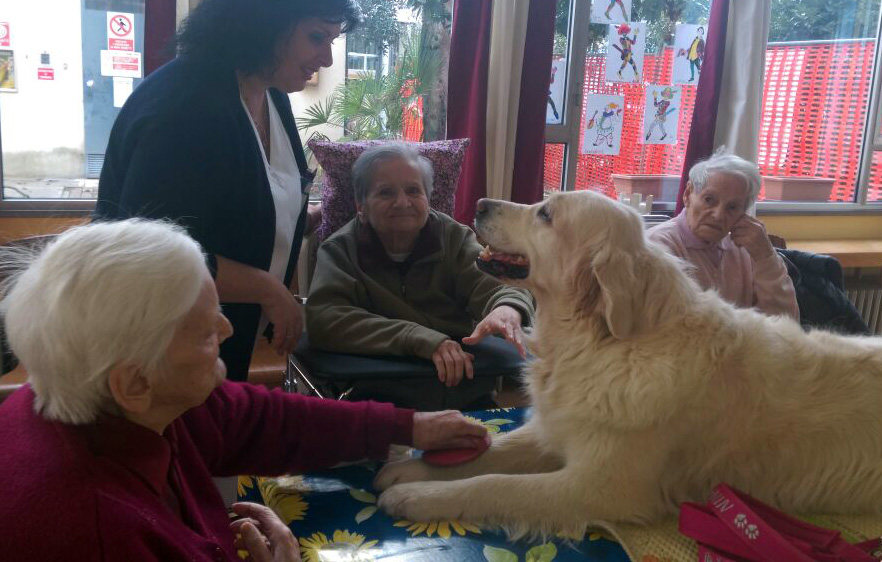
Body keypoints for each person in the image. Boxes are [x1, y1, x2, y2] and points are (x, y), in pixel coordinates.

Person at [0, 219, 487, 561]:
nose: (228, 331)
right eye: (205, 331)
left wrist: (410, 426)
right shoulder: (95, 534)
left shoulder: (111, 400)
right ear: (133, 382)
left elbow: (258, 420)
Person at [94, 0, 360, 381]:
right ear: (261, 23)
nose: (327, 59)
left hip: (218, 335)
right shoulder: (185, 106)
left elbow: (249, 206)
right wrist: (267, 289)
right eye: (316, 37)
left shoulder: (270, 94)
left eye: (332, 41)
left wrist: (317, 218)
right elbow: (149, 253)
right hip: (152, 346)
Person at [305, 143, 535, 411]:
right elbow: (325, 317)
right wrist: (418, 338)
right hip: (378, 401)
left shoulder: (454, 238)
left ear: (428, 198)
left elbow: (502, 287)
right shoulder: (340, 249)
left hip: (463, 393)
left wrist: (507, 309)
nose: (403, 202)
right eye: (385, 192)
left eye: (414, 190)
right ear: (361, 206)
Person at [646, 152, 799, 319]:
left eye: (732, 207)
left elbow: (786, 322)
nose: (718, 215)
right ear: (688, 194)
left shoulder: (747, 249)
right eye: (709, 200)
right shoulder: (657, 246)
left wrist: (766, 257)